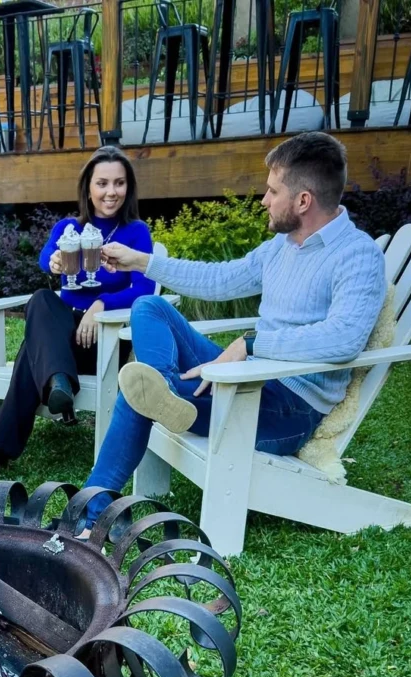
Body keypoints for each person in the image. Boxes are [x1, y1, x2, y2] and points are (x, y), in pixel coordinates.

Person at [80, 131, 387, 527]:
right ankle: (168, 391)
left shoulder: (357, 256)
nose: (264, 200)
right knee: (149, 306)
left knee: (139, 392)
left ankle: (90, 516)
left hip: (289, 405)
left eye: (272, 191)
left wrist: (253, 344)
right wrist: (141, 262)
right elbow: (220, 280)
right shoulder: (282, 246)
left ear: (303, 200)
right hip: (249, 377)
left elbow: (344, 338)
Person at [0, 146, 156, 479]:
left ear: (129, 187)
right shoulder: (69, 228)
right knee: (41, 298)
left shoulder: (137, 232)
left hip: (105, 341)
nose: (111, 192)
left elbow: (144, 289)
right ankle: (58, 382)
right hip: (61, 339)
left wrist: (100, 306)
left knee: (30, 351)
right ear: (88, 188)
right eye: (102, 183)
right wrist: (53, 261)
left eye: (119, 183)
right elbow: (46, 259)